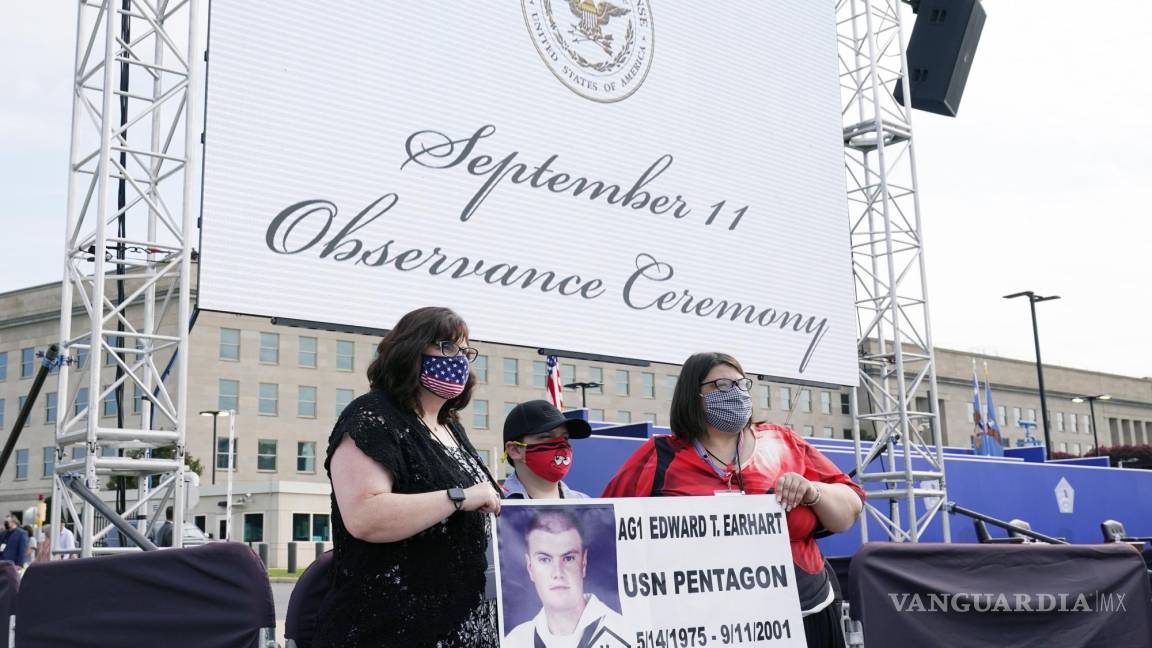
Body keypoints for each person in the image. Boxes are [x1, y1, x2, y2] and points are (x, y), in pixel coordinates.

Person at [602, 352, 865, 648]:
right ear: (694, 394)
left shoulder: (783, 442)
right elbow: (604, 525)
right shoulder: (660, 456)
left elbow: (849, 509)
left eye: (742, 384)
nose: (736, 393)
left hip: (806, 615)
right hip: (710, 625)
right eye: (722, 386)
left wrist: (813, 492)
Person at [314, 306, 503, 648]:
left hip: (461, 628)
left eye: (465, 351)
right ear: (410, 349)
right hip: (389, 628)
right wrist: (458, 497)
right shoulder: (373, 416)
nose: (459, 359)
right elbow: (365, 517)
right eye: (447, 347)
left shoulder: (450, 427)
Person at [505, 509, 626, 647]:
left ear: (583, 562)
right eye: (544, 559)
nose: (558, 572)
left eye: (568, 558)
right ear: (530, 567)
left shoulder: (625, 634)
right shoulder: (515, 642)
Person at [503, 400, 593, 500]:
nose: (561, 444)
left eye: (565, 438)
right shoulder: (492, 509)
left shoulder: (587, 506)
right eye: (546, 436)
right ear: (515, 450)